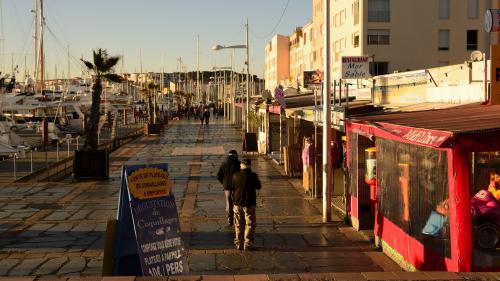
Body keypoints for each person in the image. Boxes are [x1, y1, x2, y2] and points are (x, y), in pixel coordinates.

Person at [232, 158, 261, 250]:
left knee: (238, 224)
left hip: (237, 203)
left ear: (242, 165)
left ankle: (239, 243)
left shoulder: (236, 175)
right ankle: (247, 244)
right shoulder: (253, 176)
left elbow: (232, 187)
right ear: (249, 165)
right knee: (250, 224)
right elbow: (258, 186)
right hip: (249, 203)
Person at [217, 150, 241, 226]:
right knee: (236, 201)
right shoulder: (238, 164)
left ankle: (229, 217)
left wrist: (223, 183)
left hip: (226, 186)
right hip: (236, 185)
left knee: (228, 200)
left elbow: (218, 176)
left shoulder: (223, 164)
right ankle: (236, 216)